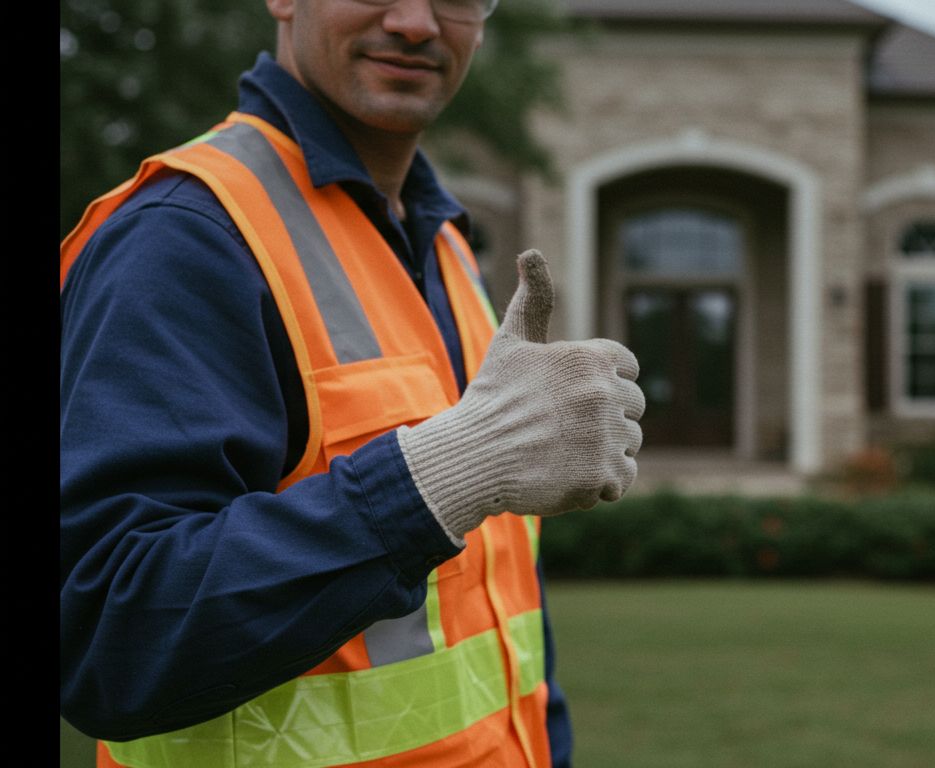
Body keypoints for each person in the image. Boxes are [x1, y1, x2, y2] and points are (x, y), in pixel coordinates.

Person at [59, 0, 645, 765]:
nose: (415, 22)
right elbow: (108, 642)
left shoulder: (447, 251)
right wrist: (440, 477)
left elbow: (506, 627)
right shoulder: (184, 235)